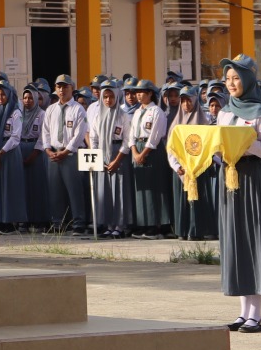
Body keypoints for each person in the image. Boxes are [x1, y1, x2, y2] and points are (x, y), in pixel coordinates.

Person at [214, 55, 261, 333]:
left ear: (248, 80)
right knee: (237, 242)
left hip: (253, 179)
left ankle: (256, 314)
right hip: (230, 179)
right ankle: (243, 313)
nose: (231, 84)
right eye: (228, 79)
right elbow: (218, 145)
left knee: (255, 241)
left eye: (236, 78)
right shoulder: (224, 112)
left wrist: (244, 143)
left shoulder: (260, 113)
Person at [40, 75, 90, 234]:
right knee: (55, 190)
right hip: (54, 153)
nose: (62, 90)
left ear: (72, 88)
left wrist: (66, 151)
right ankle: (58, 223)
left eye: (65, 87)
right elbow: (45, 131)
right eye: (59, 87)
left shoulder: (78, 109)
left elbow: (79, 134)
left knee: (74, 190)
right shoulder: (51, 109)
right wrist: (48, 149)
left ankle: (78, 222)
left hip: (70, 154)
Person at [168, 87, 217, 240]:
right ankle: (182, 230)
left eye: (189, 100)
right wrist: (176, 166)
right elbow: (171, 148)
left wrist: (196, 165)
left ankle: (197, 231)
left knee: (198, 199)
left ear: (195, 101)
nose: (186, 104)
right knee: (182, 200)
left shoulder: (203, 122)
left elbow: (209, 147)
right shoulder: (176, 124)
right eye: (183, 101)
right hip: (181, 170)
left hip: (198, 169)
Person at [87, 81, 133, 238]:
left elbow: (127, 140)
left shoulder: (123, 115)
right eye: (105, 97)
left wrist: (117, 160)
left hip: (118, 153)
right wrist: (98, 157)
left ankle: (119, 226)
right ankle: (108, 225)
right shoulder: (98, 116)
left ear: (117, 97)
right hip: (102, 155)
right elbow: (93, 138)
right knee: (105, 190)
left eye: (111, 97)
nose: (108, 100)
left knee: (119, 190)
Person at [127, 79, 172, 238]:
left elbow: (155, 136)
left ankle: (156, 224)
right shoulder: (137, 112)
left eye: (142, 92)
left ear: (150, 93)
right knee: (141, 189)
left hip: (151, 150)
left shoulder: (157, 111)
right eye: (137, 92)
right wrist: (134, 152)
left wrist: (143, 153)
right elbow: (131, 134)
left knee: (154, 188)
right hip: (137, 148)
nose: (138, 95)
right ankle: (144, 223)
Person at [0, 83, 25, 233]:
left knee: (9, 187)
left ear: (9, 95)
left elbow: (15, 137)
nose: (0, 98)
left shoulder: (15, 113)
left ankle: (10, 222)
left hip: (9, 153)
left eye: (3, 94)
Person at [15, 86, 49, 232]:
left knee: (37, 186)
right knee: (23, 187)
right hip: (21, 148)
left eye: (30, 98)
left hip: (36, 151)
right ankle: (24, 220)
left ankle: (39, 220)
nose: (27, 101)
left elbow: (42, 136)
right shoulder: (19, 114)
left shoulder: (42, 114)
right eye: (25, 98)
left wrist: (34, 154)